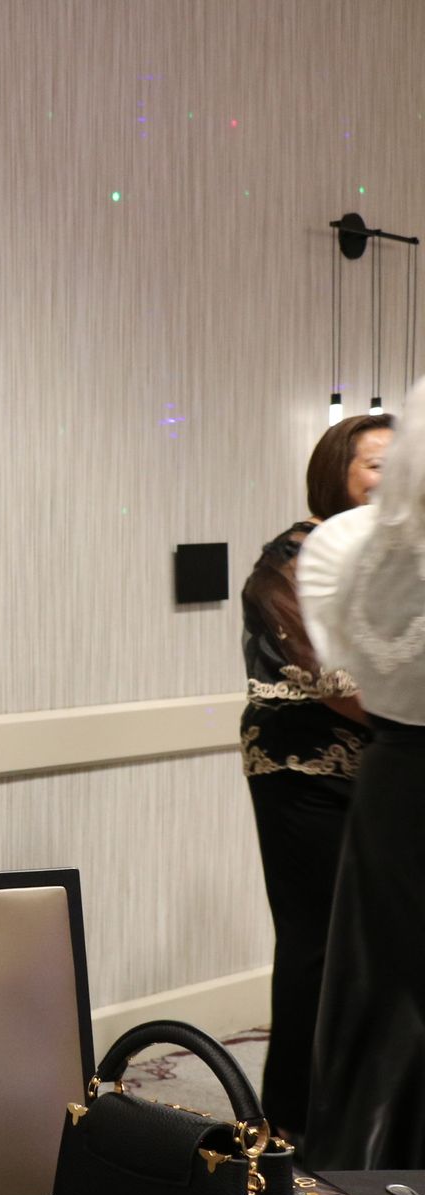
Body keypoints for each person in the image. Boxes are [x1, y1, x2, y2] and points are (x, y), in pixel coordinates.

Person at [238, 412, 390, 1140]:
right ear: (337, 470)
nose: (392, 481)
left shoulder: (390, 556)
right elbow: (331, 678)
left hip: (379, 769)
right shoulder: (289, 560)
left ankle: (354, 1110)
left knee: (373, 945)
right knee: (314, 940)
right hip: (300, 769)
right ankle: (291, 1120)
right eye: (376, 465)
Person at [298, 377, 425, 1170]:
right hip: (403, 789)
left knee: (385, 999)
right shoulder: (346, 548)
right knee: (390, 996)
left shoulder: (351, 553)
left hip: (394, 784)